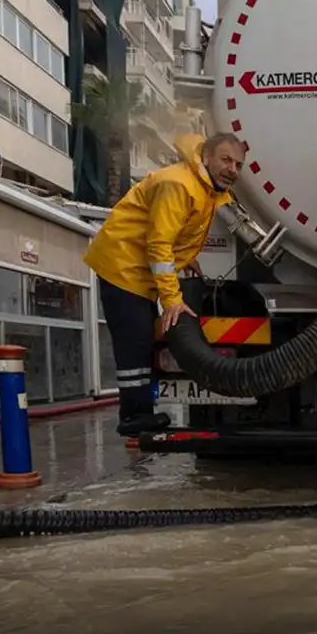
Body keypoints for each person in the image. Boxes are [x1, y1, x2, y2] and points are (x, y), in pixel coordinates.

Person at [84, 131, 244, 437]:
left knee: (141, 339)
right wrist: (171, 299)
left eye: (238, 164)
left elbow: (177, 234)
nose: (232, 169)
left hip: (136, 270)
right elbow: (159, 245)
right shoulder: (178, 184)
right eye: (226, 159)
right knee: (136, 341)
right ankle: (133, 416)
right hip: (123, 266)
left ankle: (139, 412)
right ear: (206, 156)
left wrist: (187, 260)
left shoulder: (205, 188)